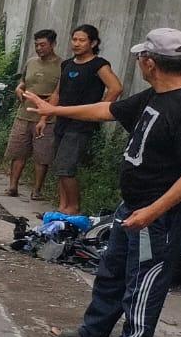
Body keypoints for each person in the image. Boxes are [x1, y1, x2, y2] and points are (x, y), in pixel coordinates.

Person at [25, 29, 181, 337]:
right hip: (133, 206)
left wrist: (152, 211)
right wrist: (54, 109)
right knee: (111, 272)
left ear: (150, 63)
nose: (139, 62)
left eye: (141, 57)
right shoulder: (154, 96)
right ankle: (93, 332)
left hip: (160, 215)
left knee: (144, 281)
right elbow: (106, 109)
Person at [38, 22, 123, 213]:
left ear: (93, 43)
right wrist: (44, 118)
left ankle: (73, 207)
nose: (76, 44)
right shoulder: (67, 64)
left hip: (81, 125)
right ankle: (62, 207)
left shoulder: (99, 65)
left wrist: (100, 110)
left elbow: (116, 88)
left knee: (66, 167)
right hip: (62, 121)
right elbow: (57, 93)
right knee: (60, 167)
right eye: (74, 39)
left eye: (82, 40)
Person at [6, 29, 61, 198]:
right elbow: (23, 81)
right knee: (18, 152)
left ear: (53, 44)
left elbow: (58, 93)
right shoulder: (31, 62)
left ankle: (36, 190)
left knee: (42, 156)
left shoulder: (62, 66)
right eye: (36, 45)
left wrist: (45, 115)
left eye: (43, 45)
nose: (39, 48)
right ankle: (12, 187)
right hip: (24, 114)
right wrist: (19, 88)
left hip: (47, 118)